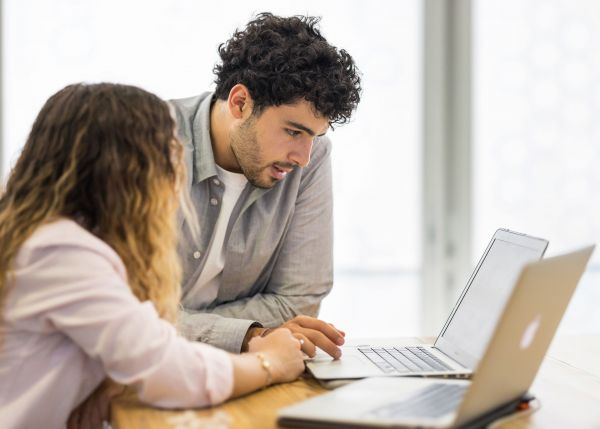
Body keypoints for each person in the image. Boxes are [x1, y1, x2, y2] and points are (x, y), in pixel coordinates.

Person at [0, 83, 305, 429]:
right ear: (128, 170)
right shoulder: (61, 253)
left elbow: (127, 342)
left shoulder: (48, 237)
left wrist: (105, 381)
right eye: (170, 152)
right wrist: (270, 363)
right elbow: (170, 370)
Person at [172, 13, 362, 358]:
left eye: (314, 136)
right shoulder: (148, 140)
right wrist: (245, 335)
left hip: (230, 374)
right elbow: (114, 314)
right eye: (293, 131)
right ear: (240, 103)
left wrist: (175, 328)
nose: (303, 157)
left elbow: (298, 300)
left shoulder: (312, 157)